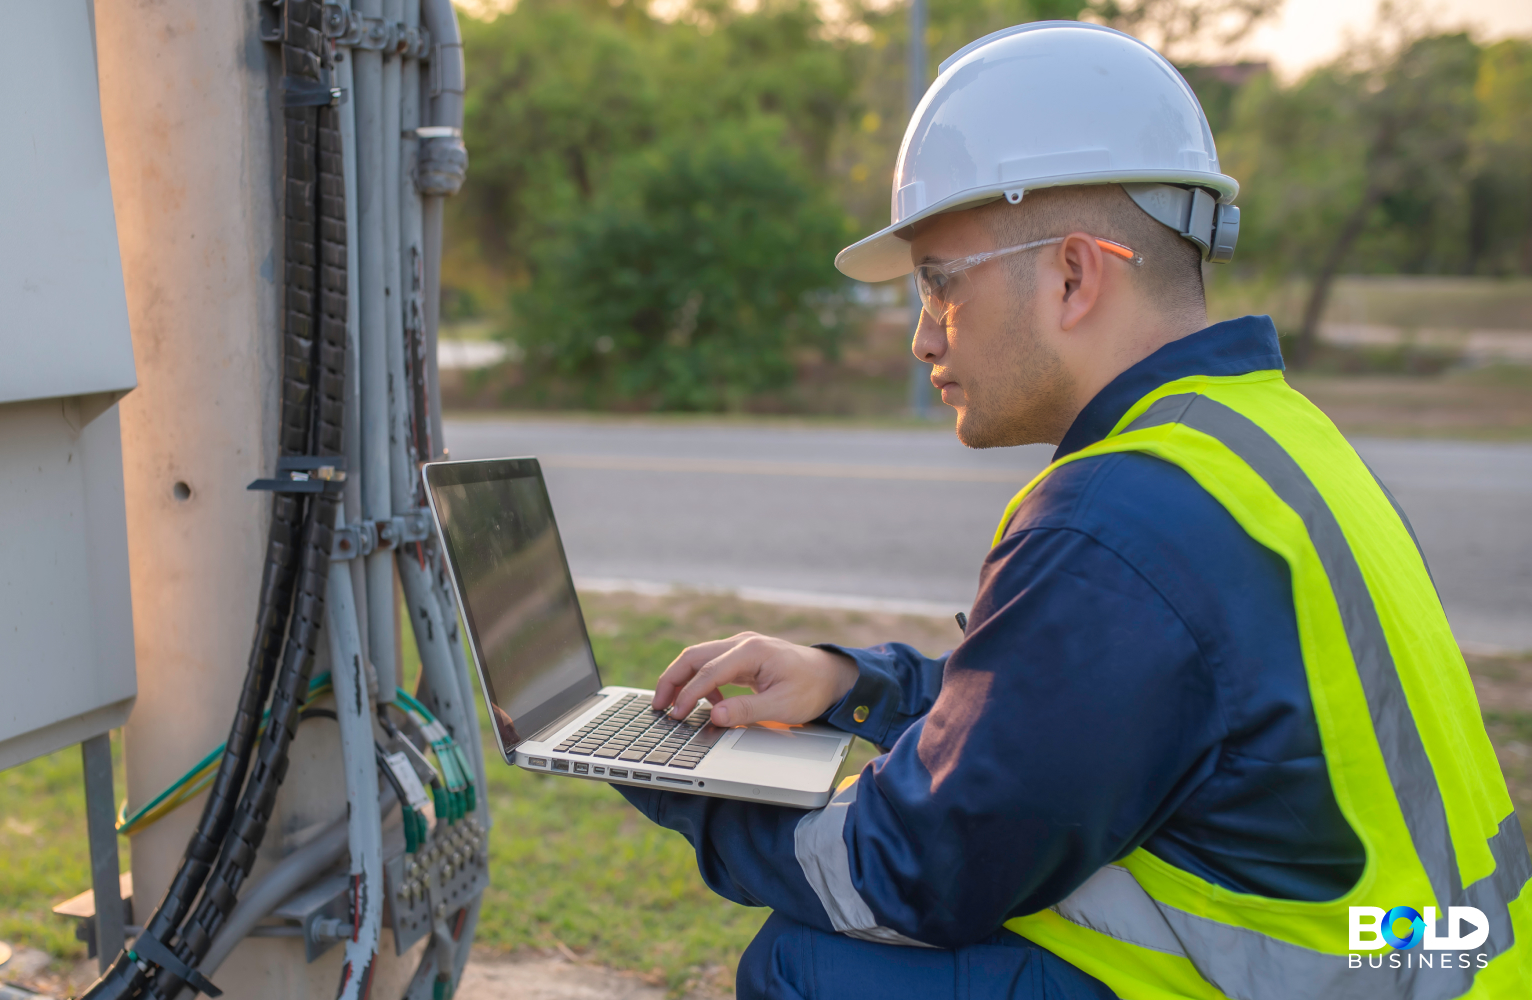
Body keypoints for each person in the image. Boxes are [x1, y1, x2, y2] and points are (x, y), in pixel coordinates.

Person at [612, 21, 1531, 1000]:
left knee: (807, 966)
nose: (922, 338)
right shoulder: (1268, 434)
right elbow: (1063, 716)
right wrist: (848, 683)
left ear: (1073, 274)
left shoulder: (1120, 519)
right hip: (1435, 967)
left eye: (937, 282)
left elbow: (912, 867)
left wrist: (687, 779)